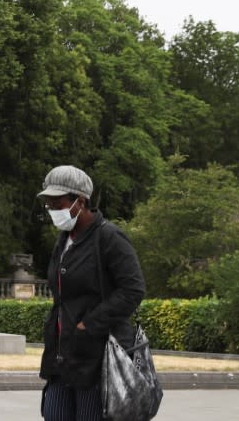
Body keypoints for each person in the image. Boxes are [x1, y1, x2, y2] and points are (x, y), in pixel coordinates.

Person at [37, 165, 146, 421]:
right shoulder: (64, 240)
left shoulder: (110, 237)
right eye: (49, 204)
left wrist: (89, 324)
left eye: (58, 203)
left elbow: (133, 289)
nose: (53, 210)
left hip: (98, 359)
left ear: (80, 201)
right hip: (63, 357)